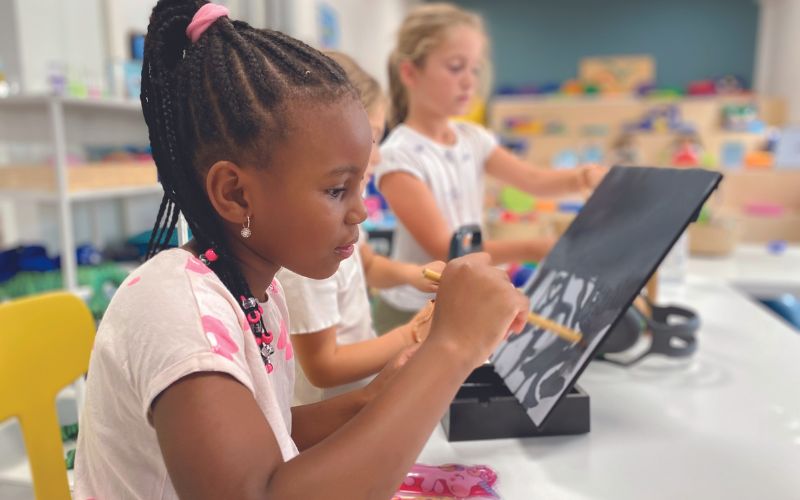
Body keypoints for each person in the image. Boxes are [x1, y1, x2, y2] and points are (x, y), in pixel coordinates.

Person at [74, 2, 529, 499]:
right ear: (236, 194)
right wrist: (452, 347)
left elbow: (268, 436)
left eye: (361, 185)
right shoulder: (177, 312)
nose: (359, 212)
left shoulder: (252, 291)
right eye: (337, 190)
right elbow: (262, 491)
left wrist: (377, 396)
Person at [373, 3, 606, 333]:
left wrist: (584, 177)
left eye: (475, 69)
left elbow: (535, 181)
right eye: (455, 67)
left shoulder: (474, 138)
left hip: (462, 298)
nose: (469, 81)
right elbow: (448, 250)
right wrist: (534, 248)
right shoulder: (399, 155)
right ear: (410, 73)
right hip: (410, 313)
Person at [278, 52, 444, 405]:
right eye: (373, 139)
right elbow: (324, 365)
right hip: (326, 417)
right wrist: (414, 334)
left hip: (356, 401)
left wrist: (418, 275)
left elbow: (366, 266)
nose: (380, 157)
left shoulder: (344, 212)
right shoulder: (308, 243)